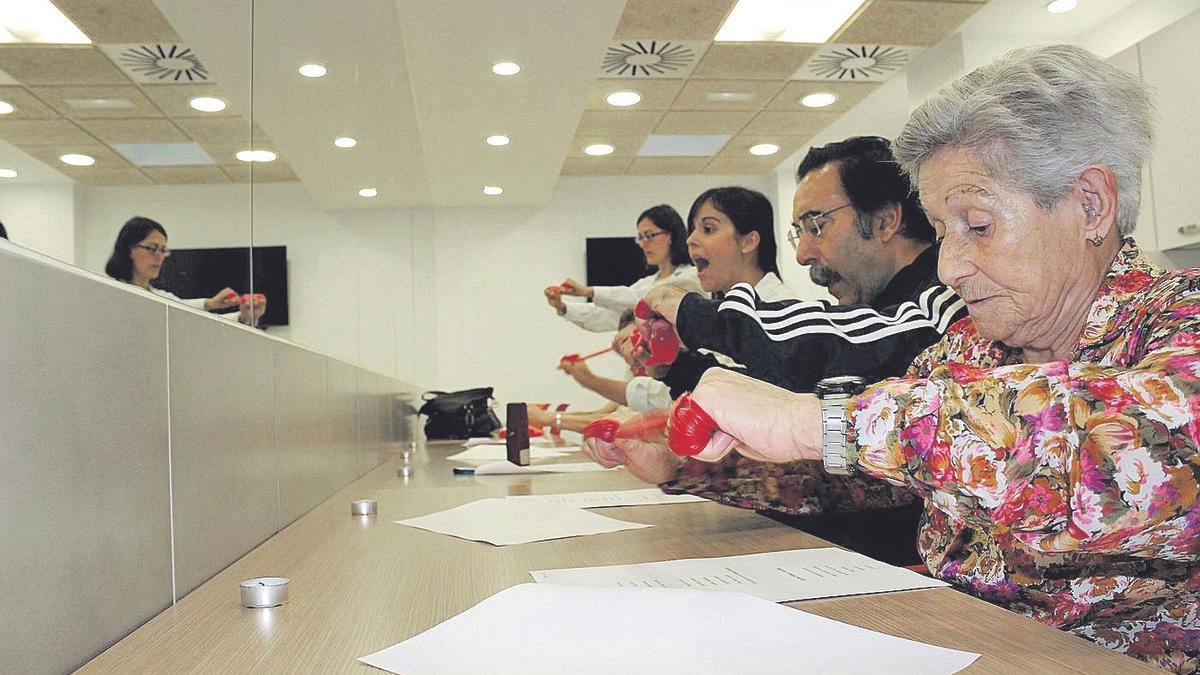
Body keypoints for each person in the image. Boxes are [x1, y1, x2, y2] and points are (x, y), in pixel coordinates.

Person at [646, 45, 1197, 671]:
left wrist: (815, 420)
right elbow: (872, 474)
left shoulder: (1182, 324)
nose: (949, 265)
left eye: (979, 225)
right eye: (942, 231)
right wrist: (694, 468)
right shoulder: (971, 345)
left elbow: (1125, 450)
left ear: (1090, 204)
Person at [600, 143, 966, 564]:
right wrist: (682, 455)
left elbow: (857, 350)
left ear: (885, 220)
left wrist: (695, 314)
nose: (802, 253)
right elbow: (823, 449)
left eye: (816, 225)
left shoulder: (940, 301)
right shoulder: (870, 314)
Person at [545, 204, 701, 332]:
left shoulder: (690, 276)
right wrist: (563, 307)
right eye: (640, 237)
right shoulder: (646, 282)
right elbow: (608, 316)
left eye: (649, 235)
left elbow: (643, 299)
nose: (643, 243)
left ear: (671, 235)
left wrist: (588, 291)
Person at [104, 216, 266, 326]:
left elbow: (195, 321)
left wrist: (244, 317)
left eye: (163, 250)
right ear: (129, 249)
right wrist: (210, 303)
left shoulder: (162, 297)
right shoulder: (110, 295)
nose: (159, 257)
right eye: (152, 248)